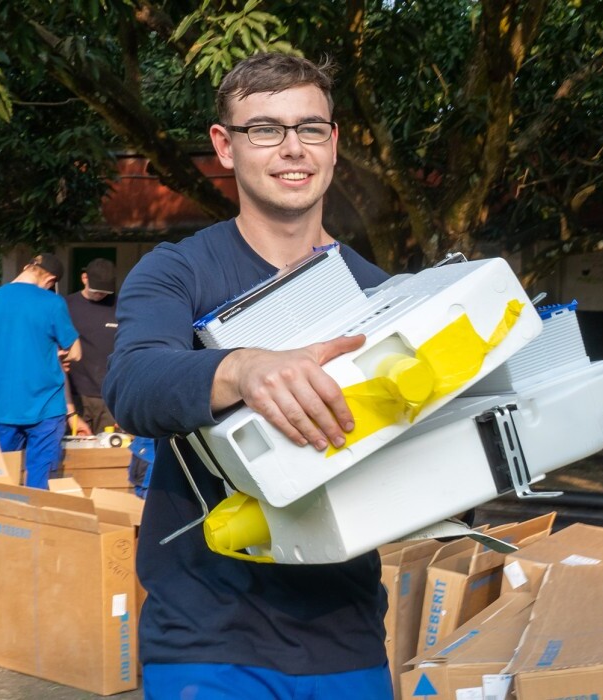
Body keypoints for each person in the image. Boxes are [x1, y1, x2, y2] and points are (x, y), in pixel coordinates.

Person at [103, 53, 393, 699]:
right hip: (208, 638)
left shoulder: (382, 296)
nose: (293, 149)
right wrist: (243, 368)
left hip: (346, 636)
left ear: (334, 142)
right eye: (265, 129)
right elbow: (133, 381)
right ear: (224, 146)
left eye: (310, 128)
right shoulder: (177, 271)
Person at [0, 253, 82, 489]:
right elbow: (75, 351)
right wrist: (57, 355)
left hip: (3, 408)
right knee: (40, 485)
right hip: (47, 407)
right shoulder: (52, 303)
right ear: (50, 280)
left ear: (26, 267)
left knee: (1, 484)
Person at [65, 257, 118, 434]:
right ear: (84, 278)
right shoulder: (66, 306)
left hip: (111, 397)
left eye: (104, 292)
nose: (99, 295)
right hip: (76, 395)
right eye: (96, 290)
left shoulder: (121, 307)